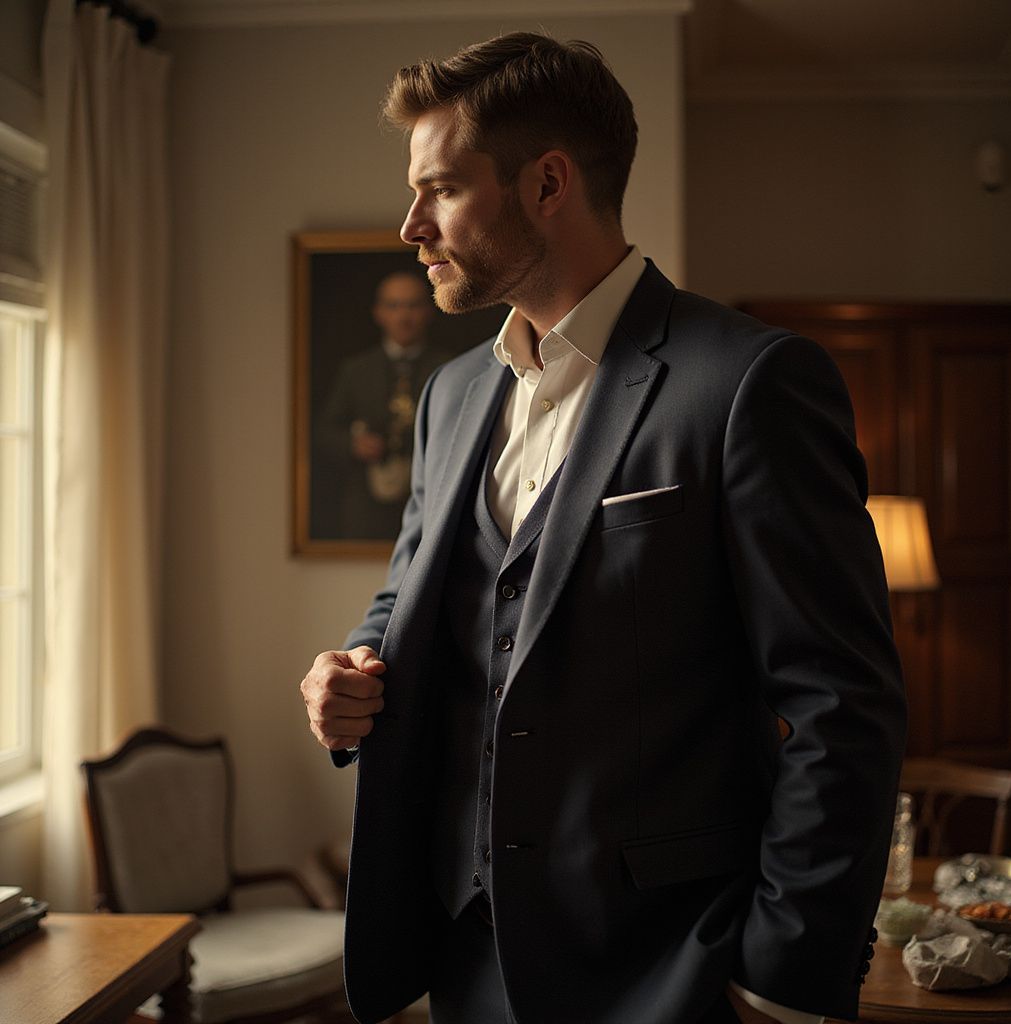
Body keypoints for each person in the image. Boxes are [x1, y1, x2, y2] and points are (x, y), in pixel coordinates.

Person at [300, 32, 906, 1024]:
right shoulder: (453, 395)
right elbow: (410, 597)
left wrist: (778, 977)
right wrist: (354, 667)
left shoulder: (748, 382)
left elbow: (841, 706)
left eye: (440, 189)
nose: (410, 225)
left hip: (672, 970)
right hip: (467, 965)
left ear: (546, 183)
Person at [316, 270, 449, 539]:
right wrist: (354, 444)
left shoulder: (450, 367)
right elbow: (324, 430)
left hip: (433, 502)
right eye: (394, 306)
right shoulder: (355, 370)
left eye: (412, 306)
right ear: (378, 313)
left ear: (429, 311)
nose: (404, 316)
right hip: (366, 506)